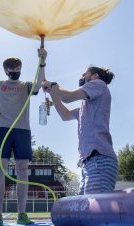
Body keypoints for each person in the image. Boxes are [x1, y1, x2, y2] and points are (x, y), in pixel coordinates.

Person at [0, 48, 47, 226]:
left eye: (18, 67)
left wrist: (42, 61)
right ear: (6, 70)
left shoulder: (26, 85)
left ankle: (22, 215)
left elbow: (39, 83)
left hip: (22, 130)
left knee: (22, 171)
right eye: (12, 68)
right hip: (2, 129)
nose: (16, 70)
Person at [42, 66, 118, 195]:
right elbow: (65, 115)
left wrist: (52, 84)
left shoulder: (99, 84)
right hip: (89, 163)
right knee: (86, 210)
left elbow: (67, 97)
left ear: (95, 76)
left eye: (85, 74)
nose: (82, 77)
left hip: (99, 160)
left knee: (95, 210)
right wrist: (51, 92)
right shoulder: (86, 106)